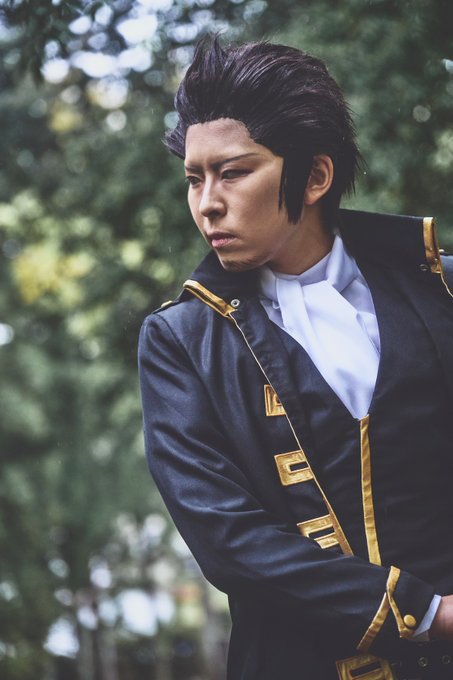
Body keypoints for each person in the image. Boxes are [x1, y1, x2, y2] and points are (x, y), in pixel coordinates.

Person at [138, 36, 453, 680]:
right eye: (195, 178)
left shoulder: (441, 287)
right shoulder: (180, 341)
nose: (207, 203)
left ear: (314, 177)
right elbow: (229, 540)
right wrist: (429, 611)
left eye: (232, 172)